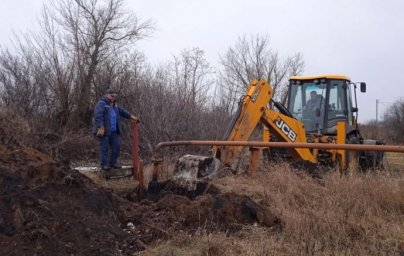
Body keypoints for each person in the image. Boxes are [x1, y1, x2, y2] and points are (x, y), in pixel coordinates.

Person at [92, 88, 139, 171]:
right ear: (106, 95)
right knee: (104, 148)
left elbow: (122, 111)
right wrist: (101, 126)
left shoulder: (115, 105)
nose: (113, 97)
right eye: (111, 95)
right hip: (104, 131)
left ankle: (112, 163)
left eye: (114, 96)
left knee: (116, 147)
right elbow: (98, 116)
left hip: (114, 131)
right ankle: (104, 165)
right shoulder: (101, 103)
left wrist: (131, 116)